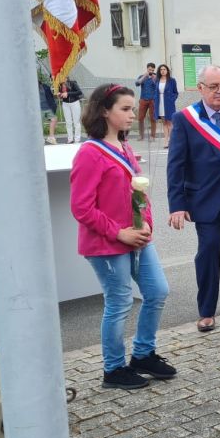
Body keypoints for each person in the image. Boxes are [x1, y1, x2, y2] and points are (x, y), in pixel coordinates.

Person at [71, 83, 176, 389]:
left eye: (132, 109)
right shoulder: (90, 153)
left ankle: (143, 354)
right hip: (107, 243)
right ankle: (113, 369)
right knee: (119, 302)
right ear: (105, 111)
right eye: (125, 109)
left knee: (157, 291)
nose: (133, 114)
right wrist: (119, 233)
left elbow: (138, 195)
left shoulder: (125, 147)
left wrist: (146, 226)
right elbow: (81, 207)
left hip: (138, 238)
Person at [166, 65, 220, 332]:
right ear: (200, 88)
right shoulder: (186, 119)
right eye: (214, 86)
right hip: (204, 199)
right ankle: (206, 309)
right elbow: (176, 165)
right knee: (209, 250)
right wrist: (177, 205)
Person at [155, 64, 179, 149]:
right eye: (161, 69)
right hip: (160, 102)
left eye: (164, 69)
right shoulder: (157, 80)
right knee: (164, 122)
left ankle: (171, 140)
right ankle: (166, 140)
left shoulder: (172, 80)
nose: (162, 71)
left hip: (168, 103)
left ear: (167, 70)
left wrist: (172, 100)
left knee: (170, 122)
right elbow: (156, 91)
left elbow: (176, 92)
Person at [134, 62, 159, 140]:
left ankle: (152, 136)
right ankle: (141, 136)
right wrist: (145, 76)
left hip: (153, 100)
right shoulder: (142, 76)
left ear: (154, 69)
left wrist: (154, 79)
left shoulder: (156, 77)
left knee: (153, 118)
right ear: (147, 69)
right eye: (149, 69)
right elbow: (137, 83)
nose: (150, 71)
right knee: (140, 118)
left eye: (152, 69)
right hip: (143, 99)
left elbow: (158, 87)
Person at [59, 77, 84, 144]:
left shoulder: (72, 83)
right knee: (68, 122)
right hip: (65, 104)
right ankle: (70, 139)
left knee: (76, 122)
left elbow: (79, 92)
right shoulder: (60, 85)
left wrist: (68, 94)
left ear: (66, 77)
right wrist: (60, 95)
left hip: (74, 103)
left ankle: (77, 139)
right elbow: (61, 94)